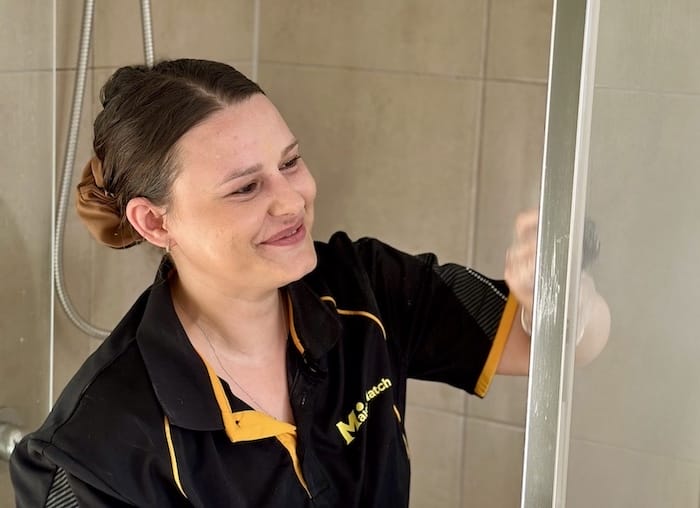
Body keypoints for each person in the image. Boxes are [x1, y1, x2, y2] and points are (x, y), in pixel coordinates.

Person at [10, 59, 610, 507]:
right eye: (246, 187)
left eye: (290, 162)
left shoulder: (364, 288)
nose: (290, 200)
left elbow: (559, 348)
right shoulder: (94, 452)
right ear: (155, 220)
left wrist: (560, 297)